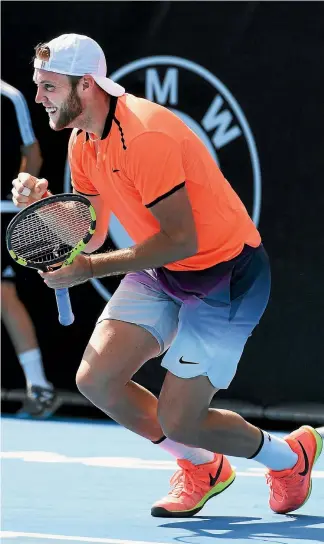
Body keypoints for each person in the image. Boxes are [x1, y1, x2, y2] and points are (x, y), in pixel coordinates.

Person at [12, 34, 322, 517]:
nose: (38, 98)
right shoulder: (83, 141)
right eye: (38, 85)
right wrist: (45, 210)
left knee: (180, 419)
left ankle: (291, 458)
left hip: (226, 277)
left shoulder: (146, 135)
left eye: (49, 86)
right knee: (98, 379)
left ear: (86, 85)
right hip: (163, 272)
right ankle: (203, 469)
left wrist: (87, 270)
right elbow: (91, 236)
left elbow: (181, 241)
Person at [1, 79, 60, 418]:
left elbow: (32, 154)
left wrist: (19, 200)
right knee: (4, 295)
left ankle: (39, 389)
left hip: (2, 213)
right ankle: (39, 388)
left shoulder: (9, 98)